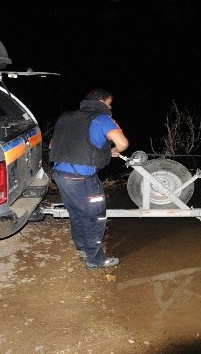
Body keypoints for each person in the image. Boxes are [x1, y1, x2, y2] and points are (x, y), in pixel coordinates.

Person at [49, 88, 129, 270]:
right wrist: (116, 150)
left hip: (60, 175)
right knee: (95, 217)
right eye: (109, 104)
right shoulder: (102, 118)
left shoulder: (66, 117)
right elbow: (123, 143)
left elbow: (53, 144)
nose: (110, 107)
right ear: (102, 102)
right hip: (81, 178)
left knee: (77, 214)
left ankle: (84, 250)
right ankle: (95, 260)